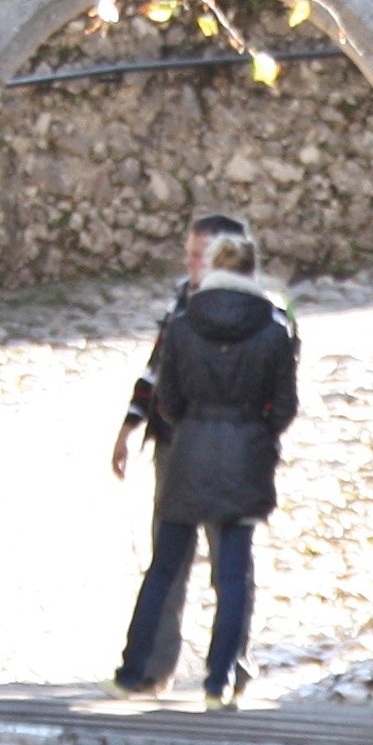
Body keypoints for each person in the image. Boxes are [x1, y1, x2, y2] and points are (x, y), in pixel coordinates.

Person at [111, 214, 301, 708]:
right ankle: (220, 677)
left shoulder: (183, 319)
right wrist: (256, 433)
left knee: (165, 565)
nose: (189, 262)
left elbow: (166, 391)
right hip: (245, 456)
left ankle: (136, 670)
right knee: (233, 571)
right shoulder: (274, 325)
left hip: (187, 451)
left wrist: (184, 426)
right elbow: (284, 403)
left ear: (215, 261)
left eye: (198, 254)